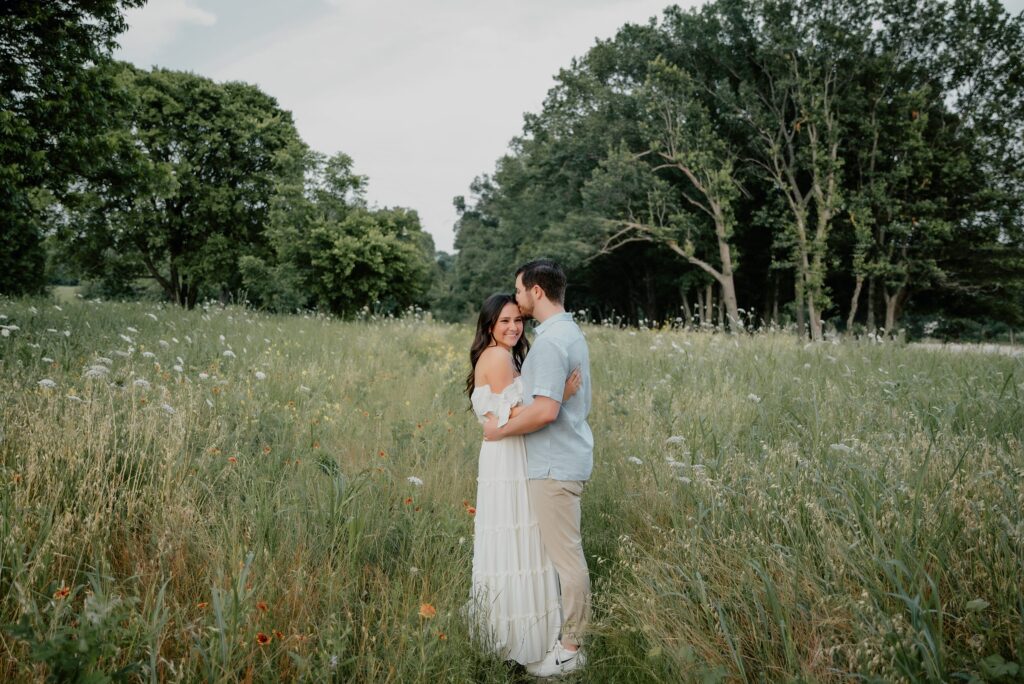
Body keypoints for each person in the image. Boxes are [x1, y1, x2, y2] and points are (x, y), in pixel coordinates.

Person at [483, 259, 593, 678]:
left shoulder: (549, 343)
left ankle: (571, 647)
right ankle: (554, 633)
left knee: (566, 558)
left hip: (554, 463)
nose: (516, 298)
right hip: (562, 457)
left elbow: (545, 412)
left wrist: (500, 430)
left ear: (537, 292)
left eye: (520, 291)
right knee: (558, 556)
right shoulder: (568, 332)